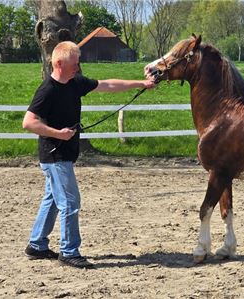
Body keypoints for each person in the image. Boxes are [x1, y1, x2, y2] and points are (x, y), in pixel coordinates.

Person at [22, 41, 156, 269]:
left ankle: (37, 245)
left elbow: (107, 85)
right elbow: (28, 122)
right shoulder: (47, 90)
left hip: (63, 154)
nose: (78, 66)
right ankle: (69, 251)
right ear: (59, 63)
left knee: (53, 200)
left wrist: (140, 83)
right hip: (55, 155)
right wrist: (58, 133)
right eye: (75, 63)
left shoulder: (75, 83)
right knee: (70, 202)